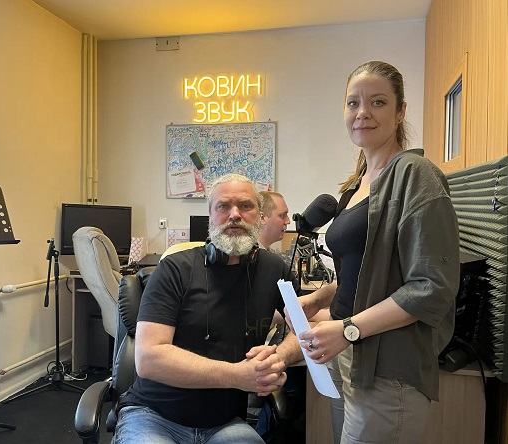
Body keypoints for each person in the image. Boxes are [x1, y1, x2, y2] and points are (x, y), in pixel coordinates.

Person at [287, 61, 460, 444]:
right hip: (345, 354)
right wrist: (318, 300)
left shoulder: (416, 174)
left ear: (400, 112)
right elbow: (364, 273)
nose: (362, 112)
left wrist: (348, 329)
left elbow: (431, 286)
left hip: (385, 365)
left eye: (378, 102)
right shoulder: (357, 184)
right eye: (353, 103)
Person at [113, 173, 303, 444]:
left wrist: (279, 357)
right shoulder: (174, 269)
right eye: (223, 206)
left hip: (224, 423)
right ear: (211, 217)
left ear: (260, 216)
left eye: (245, 205)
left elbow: (304, 329)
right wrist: (238, 376)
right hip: (154, 416)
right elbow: (148, 359)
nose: (234, 215)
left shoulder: (275, 270)